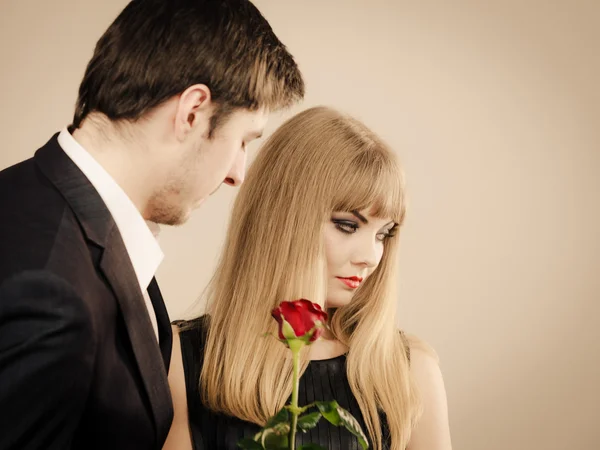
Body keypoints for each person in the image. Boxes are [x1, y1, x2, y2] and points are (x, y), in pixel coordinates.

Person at [0, 0, 304, 448]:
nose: (238, 173)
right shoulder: (53, 289)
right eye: (242, 140)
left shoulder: (37, 204)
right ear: (193, 112)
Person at [165, 107, 452, 450]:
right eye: (348, 225)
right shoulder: (181, 360)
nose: (371, 257)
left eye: (384, 234)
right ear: (282, 219)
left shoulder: (409, 370)